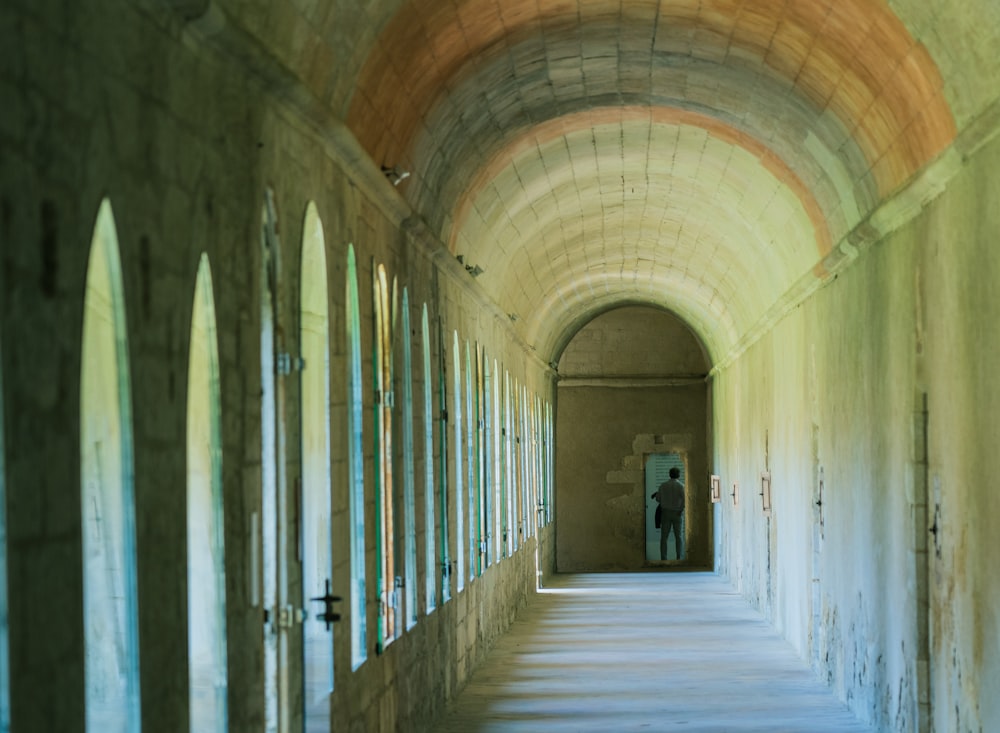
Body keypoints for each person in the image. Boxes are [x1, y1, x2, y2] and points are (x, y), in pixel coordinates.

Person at [651, 467, 685, 560]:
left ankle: (663, 557)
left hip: (665, 512)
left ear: (669, 474)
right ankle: (679, 557)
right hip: (677, 513)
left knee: (664, 537)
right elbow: (685, 500)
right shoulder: (681, 486)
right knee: (678, 536)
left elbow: (658, 499)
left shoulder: (663, 485)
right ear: (678, 475)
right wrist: (681, 509)